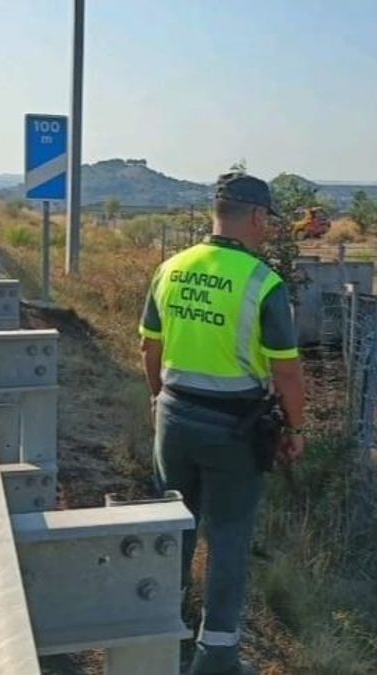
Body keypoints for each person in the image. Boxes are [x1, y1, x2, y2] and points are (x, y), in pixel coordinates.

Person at [139, 171, 306, 675]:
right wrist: (296, 429)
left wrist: (158, 400)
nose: (269, 230)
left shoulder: (171, 268)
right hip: (233, 429)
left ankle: (161, 625)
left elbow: (150, 345)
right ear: (256, 216)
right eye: (268, 221)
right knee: (230, 537)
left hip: (173, 416)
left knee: (174, 525)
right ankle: (217, 655)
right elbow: (287, 370)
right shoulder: (263, 282)